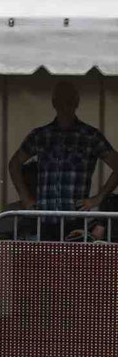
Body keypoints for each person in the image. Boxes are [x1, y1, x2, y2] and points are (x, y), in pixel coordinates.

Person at [8, 81, 118, 240]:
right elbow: (14, 164)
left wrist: (97, 198)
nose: (65, 106)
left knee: (75, 264)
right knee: (45, 264)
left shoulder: (90, 136)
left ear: (77, 102)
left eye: (69, 101)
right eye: (61, 101)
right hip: (44, 219)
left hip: (75, 220)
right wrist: (25, 198)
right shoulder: (40, 135)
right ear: (54, 103)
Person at [0, 161, 39, 239]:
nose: (33, 185)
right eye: (28, 182)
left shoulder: (10, 212)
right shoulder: (10, 213)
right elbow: (3, 245)